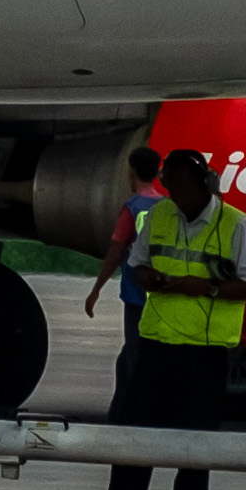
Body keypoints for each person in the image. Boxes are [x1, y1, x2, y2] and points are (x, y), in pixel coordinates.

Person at [67, 146, 246, 490]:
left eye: (177, 184)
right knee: (134, 438)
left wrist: (207, 287)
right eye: (168, 183)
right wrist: (148, 278)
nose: (170, 191)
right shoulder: (158, 216)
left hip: (204, 352)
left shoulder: (236, 225)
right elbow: (137, 263)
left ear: (203, 184)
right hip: (156, 344)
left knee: (195, 447)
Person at [80, 143, 165, 409]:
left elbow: (116, 250)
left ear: (131, 171)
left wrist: (96, 289)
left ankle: (125, 408)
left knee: (132, 352)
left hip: (137, 294)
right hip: (162, 292)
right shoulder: (167, 206)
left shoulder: (132, 208)